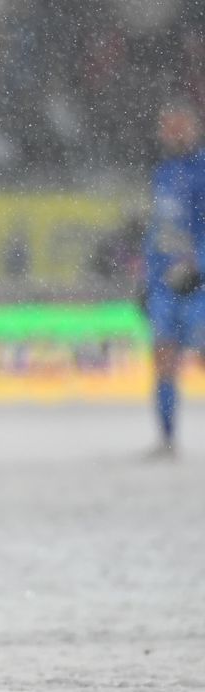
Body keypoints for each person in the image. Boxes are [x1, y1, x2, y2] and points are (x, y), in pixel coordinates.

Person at [142, 100, 205, 457]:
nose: (170, 133)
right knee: (164, 357)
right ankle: (167, 439)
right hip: (165, 283)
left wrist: (198, 267)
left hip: (198, 283)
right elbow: (159, 232)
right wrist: (147, 278)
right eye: (166, 126)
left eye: (176, 126)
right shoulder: (163, 173)